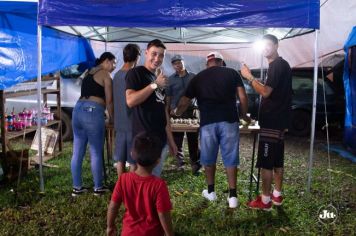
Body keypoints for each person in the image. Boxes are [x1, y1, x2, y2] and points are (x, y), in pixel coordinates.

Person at [174, 51, 249, 208]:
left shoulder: (198, 77)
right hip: (229, 121)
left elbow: (185, 100)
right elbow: (242, 97)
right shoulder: (232, 73)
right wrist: (244, 116)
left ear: (207, 63)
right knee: (230, 158)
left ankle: (211, 192)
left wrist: (176, 113)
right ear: (221, 62)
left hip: (208, 122)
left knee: (208, 159)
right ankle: (233, 196)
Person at [240, 34, 292, 210]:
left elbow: (266, 92)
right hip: (279, 121)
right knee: (277, 161)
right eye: (263, 46)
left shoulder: (277, 65)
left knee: (266, 163)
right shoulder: (279, 66)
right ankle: (277, 196)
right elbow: (272, 90)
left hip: (272, 121)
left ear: (277, 45)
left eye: (268, 45)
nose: (265, 49)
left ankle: (265, 201)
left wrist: (249, 77)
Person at [125, 39, 177, 177]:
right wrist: (154, 85)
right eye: (154, 54)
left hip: (160, 140)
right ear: (146, 53)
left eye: (161, 55)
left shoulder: (159, 79)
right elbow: (130, 101)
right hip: (143, 140)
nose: (157, 58)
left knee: (153, 180)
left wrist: (171, 141)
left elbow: (164, 112)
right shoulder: (136, 73)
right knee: (140, 181)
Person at [106, 132, 174, 236]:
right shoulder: (159, 185)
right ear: (158, 161)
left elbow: (113, 206)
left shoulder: (123, 179)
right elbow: (163, 214)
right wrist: (170, 234)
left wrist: (110, 226)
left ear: (132, 154)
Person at [71, 52, 116, 196]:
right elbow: (109, 101)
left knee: (77, 151)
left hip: (77, 111)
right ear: (107, 61)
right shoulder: (105, 75)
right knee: (96, 151)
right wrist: (113, 119)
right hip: (92, 112)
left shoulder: (88, 72)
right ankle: (98, 187)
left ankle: (77, 188)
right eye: (114, 63)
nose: (114, 67)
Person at [166, 54, 201, 174]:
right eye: (175, 63)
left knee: (193, 139)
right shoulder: (170, 79)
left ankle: (195, 163)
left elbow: (199, 93)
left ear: (183, 62)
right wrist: (168, 110)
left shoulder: (193, 77)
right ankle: (180, 163)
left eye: (179, 62)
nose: (178, 65)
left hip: (192, 110)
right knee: (177, 138)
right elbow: (169, 96)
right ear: (172, 65)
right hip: (176, 112)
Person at [113, 43, 141, 177]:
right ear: (137, 57)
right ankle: (131, 188)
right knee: (133, 160)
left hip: (119, 121)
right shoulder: (134, 74)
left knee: (120, 158)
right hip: (132, 122)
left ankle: (121, 186)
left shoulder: (116, 75)